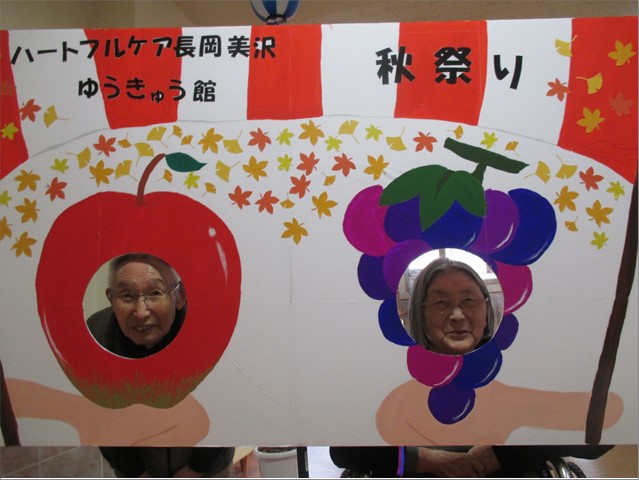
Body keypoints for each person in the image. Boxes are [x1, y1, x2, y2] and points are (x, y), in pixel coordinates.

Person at [331, 257, 614, 477]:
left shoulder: (522, 382)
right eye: (441, 303)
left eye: (469, 300)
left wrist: (502, 455)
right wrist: (424, 460)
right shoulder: (391, 388)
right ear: (421, 312)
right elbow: (342, 451)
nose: (456, 314)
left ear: (488, 309)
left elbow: (604, 432)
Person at [87, 253, 234, 477]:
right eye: (126, 295)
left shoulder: (208, 333)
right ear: (111, 298)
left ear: (180, 296)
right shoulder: (95, 339)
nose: (141, 312)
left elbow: (226, 403)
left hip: (208, 463)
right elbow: (101, 418)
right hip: (139, 463)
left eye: (155, 293)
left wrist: (197, 469)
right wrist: (135, 472)